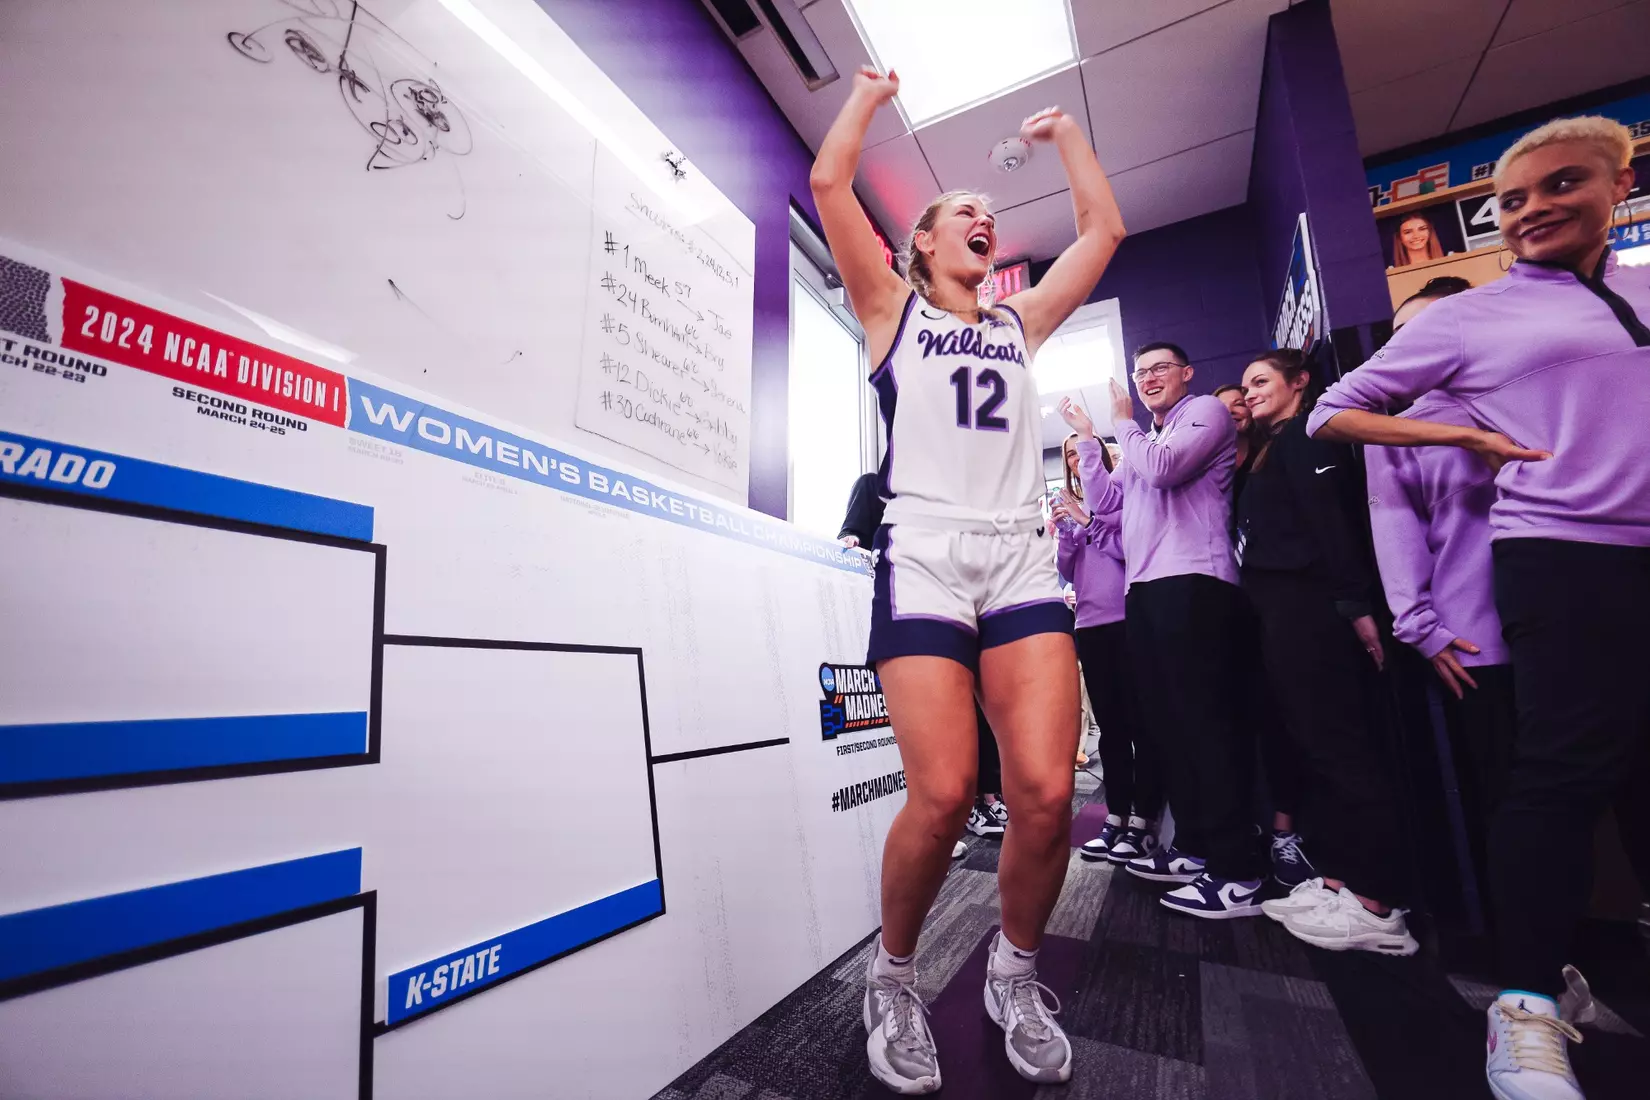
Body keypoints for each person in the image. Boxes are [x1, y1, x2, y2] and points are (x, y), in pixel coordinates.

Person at [1307, 116, 1649, 1100]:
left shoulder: (1637, 291)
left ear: (1620, 185)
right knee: (1554, 778)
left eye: (1562, 184)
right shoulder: (1473, 321)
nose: (1533, 208)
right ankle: (1525, 1003)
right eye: (1511, 200)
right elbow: (1342, 427)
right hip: (1560, 553)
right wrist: (1464, 438)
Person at [810, 66, 1124, 1092]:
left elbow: (1104, 229)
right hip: (926, 554)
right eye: (963, 213)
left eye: (990, 213)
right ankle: (893, 976)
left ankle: (1014, 973)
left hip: (1021, 554)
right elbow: (828, 182)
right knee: (945, 793)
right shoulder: (890, 310)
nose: (985, 219)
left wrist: (1068, 135)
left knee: (1046, 790)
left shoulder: (1017, 324)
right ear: (924, 243)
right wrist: (865, 97)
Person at [1233, 349, 1418, 955]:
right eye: (1245, 385)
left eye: (1261, 381)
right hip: (1282, 616)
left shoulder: (1310, 437)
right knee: (1316, 749)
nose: (1249, 392)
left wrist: (1356, 606)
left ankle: (1377, 902)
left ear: (1300, 382)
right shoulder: (1273, 448)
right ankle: (1339, 879)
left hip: (1315, 614)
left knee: (1343, 750)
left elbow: (1333, 527)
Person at [1081, 344, 1267, 918]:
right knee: (1168, 727)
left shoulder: (1202, 414)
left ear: (1187, 373)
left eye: (1159, 368)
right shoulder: (1148, 438)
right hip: (1145, 591)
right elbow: (1104, 503)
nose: (1147, 378)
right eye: (1140, 372)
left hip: (1195, 583)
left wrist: (1122, 423)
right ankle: (1195, 846)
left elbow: (1164, 469)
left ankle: (1238, 871)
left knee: (1205, 725)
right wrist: (1088, 440)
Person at [1363, 277, 1509, 894]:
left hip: (1575, 623)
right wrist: (1423, 629)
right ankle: (1533, 942)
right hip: (1478, 644)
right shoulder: (1394, 433)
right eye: (1401, 338)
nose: (1414, 348)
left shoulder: (1522, 396)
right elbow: (1397, 539)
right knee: (1509, 796)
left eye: (1429, 330)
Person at [839, 474, 999, 860]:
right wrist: (852, 539)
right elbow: (852, 537)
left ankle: (969, 806)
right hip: (900, 621)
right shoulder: (874, 486)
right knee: (922, 739)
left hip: (951, 618)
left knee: (962, 725)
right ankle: (938, 820)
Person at [1215, 381, 1314, 888]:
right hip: (1225, 612)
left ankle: (1286, 832)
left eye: (1241, 402)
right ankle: (1241, 829)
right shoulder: (1207, 470)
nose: (1235, 411)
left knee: (1284, 723)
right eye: (1223, 407)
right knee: (1231, 725)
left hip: (1277, 607)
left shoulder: (1271, 460)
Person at [1050, 421, 1161, 865]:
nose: (1077, 459)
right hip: (1090, 624)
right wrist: (1068, 532)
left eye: (1082, 450)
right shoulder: (1073, 507)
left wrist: (1089, 523)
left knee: (1142, 724)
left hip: (1130, 619)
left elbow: (1129, 551)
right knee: (1111, 729)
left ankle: (1144, 821)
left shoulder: (1121, 496)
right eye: (1070, 455)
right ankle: (1116, 817)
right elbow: (1065, 569)